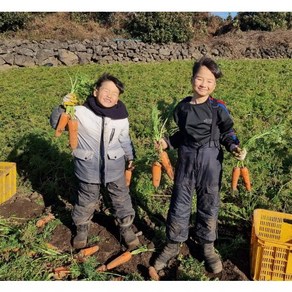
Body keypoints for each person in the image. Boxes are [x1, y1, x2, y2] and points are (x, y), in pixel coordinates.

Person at [153, 56, 247, 274]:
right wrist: (165, 143)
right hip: (186, 162)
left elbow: (227, 133)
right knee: (179, 204)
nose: (203, 84)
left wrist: (234, 146)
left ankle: (207, 247)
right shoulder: (183, 107)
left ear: (214, 84)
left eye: (209, 81)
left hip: (210, 163)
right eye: (200, 79)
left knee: (209, 205)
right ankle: (173, 244)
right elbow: (179, 136)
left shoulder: (218, 109)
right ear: (192, 79)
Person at [50, 73, 139, 250]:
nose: (109, 95)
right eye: (105, 90)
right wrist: (63, 107)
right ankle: (82, 227)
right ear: (95, 91)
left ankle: (126, 228)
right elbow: (55, 124)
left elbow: (124, 139)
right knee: (86, 199)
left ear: (118, 97)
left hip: (115, 167)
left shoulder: (121, 116)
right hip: (87, 168)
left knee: (121, 199)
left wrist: (130, 157)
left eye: (114, 93)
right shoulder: (80, 111)